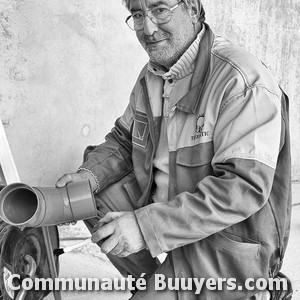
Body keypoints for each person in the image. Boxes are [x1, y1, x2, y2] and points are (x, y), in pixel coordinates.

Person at [56, 0, 292, 299]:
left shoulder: (242, 81)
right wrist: (87, 176)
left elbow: (242, 188)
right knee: (89, 194)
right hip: (171, 215)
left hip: (222, 239)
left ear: (192, 8)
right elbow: (124, 140)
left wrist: (145, 227)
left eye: (159, 10)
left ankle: (256, 290)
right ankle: (157, 285)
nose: (148, 28)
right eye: (138, 15)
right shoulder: (152, 75)